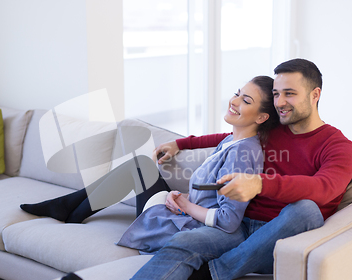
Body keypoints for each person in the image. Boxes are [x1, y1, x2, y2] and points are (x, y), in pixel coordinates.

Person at [57, 58, 352, 280]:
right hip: (240, 225)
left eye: (289, 94)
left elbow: (324, 188)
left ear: (315, 94)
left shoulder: (338, 146)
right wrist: (181, 143)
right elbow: (228, 136)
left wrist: (260, 183)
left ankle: (216, 270)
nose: (280, 102)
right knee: (187, 243)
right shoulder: (274, 127)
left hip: (276, 237)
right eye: (277, 93)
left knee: (306, 210)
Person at [116, 76, 278, 254]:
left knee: (140, 167)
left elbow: (229, 219)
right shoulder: (231, 140)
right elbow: (208, 196)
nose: (234, 101)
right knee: (140, 166)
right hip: (180, 214)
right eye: (237, 94)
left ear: (262, 117)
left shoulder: (242, 153)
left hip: (187, 228)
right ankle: (78, 213)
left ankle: (78, 213)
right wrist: (180, 196)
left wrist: (185, 206)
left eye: (246, 101)